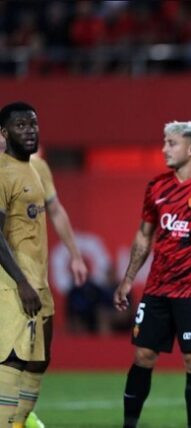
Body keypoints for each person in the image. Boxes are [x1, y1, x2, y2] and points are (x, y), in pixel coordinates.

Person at [113, 121, 191, 428]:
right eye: (165, 142)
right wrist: (129, 278)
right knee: (143, 355)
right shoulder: (156, 187)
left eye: (171, 143)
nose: (164, 149)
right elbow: (144, 236)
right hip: (157, 290)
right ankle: (129, 424)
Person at [0, 102, 88, 428]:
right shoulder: (1, 171)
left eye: (33, 124)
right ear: (4, 133)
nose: (29, 131)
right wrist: (21, 282)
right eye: (20, 126)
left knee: (39, 359)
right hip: (11, 281)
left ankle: (20, 421)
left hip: (39, 278)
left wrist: (76, 255)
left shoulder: (39, 168)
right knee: (12, 358)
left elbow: (56, 211)